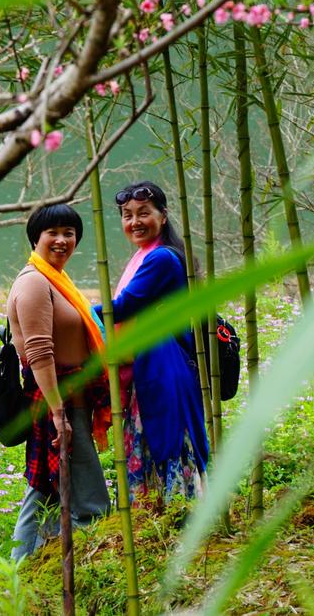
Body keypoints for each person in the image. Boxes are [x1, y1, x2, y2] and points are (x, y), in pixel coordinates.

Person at [7, 203, 111, 561]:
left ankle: (31, 568)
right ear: (36, 237)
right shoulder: (35, 282)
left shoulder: (56, 280)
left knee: (47, 491)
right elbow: (38, 352)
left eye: (70, 233)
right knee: (87, 498)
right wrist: (57, 413)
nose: (62, 240)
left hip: (72, 400)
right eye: (53, 232)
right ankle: (44, 568)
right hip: (58, 401)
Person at [94, 181, 209, 503]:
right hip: (155, 366)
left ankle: (174, 515)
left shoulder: (161, 260)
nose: (135, 222)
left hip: (161, 369)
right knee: (154, 439)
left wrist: (71, 309)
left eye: (144, 213)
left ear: (163, 215)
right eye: (127, 215)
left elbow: (122, 306)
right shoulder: (147, 256)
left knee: (166, 438)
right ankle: (161, 517)